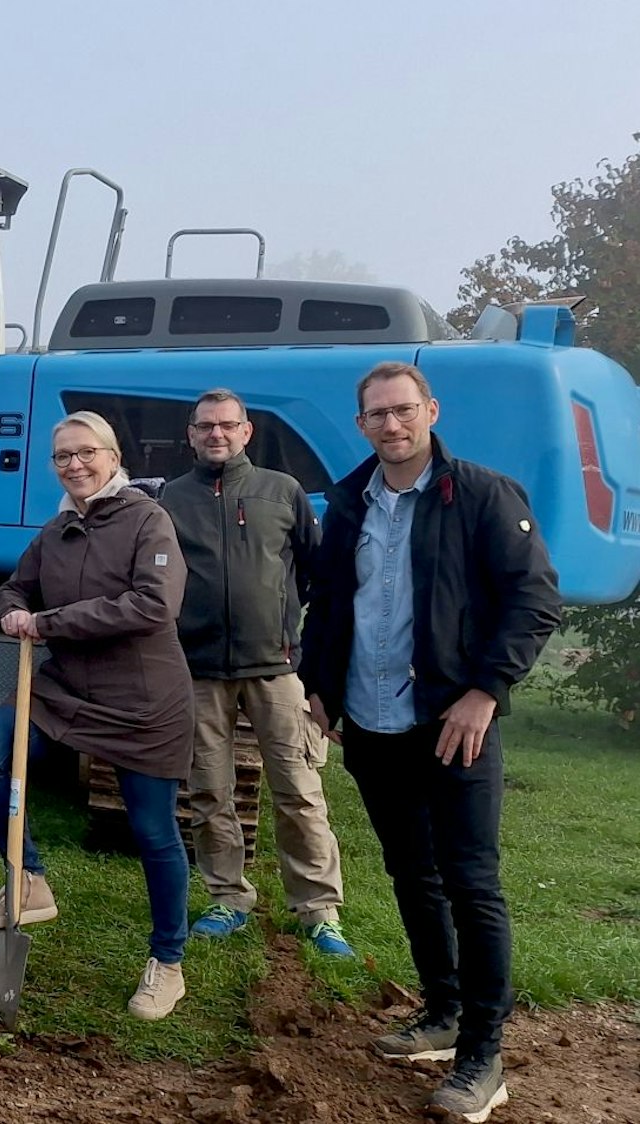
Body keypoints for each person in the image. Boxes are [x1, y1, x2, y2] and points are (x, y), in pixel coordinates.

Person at [301, 361, 559, 1122]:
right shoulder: (348, 503)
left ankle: (484, 1054)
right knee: (413, 875)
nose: (392, 424)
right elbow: (329, 600)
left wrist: (485, 692)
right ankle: (442, 1014)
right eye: (377, 414)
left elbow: (534, 601)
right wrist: (319, 685)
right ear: (361, 424)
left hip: (453, 726)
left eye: (404, 410)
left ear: (431, 411)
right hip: (371, 721)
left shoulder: (481, 494)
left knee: (472, 883)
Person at [0, 410, 194, 1020]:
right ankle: (29, 879)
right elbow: (15, 587)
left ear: (114, 458)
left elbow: (153, 604)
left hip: (144, 699)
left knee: (153, 831)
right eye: (63, 456)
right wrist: (12, 610)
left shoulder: (147, 520)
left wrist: (48, 622)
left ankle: (167, 962)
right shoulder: (57, 528)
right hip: (66, 689)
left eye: (87, 452)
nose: (75, 465)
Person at [159, 388, 351, 957]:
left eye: (227, 425)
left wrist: (289, 629)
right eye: (205, 426)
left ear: (246, 432)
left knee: (299, 790)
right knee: (209, 792)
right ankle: (227, 897)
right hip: (199, 670)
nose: (216, 434)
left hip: (276, 668)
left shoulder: (282, 491)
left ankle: (318, 910)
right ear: (191, 435)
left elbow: (315, 572)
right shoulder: (172, 497)